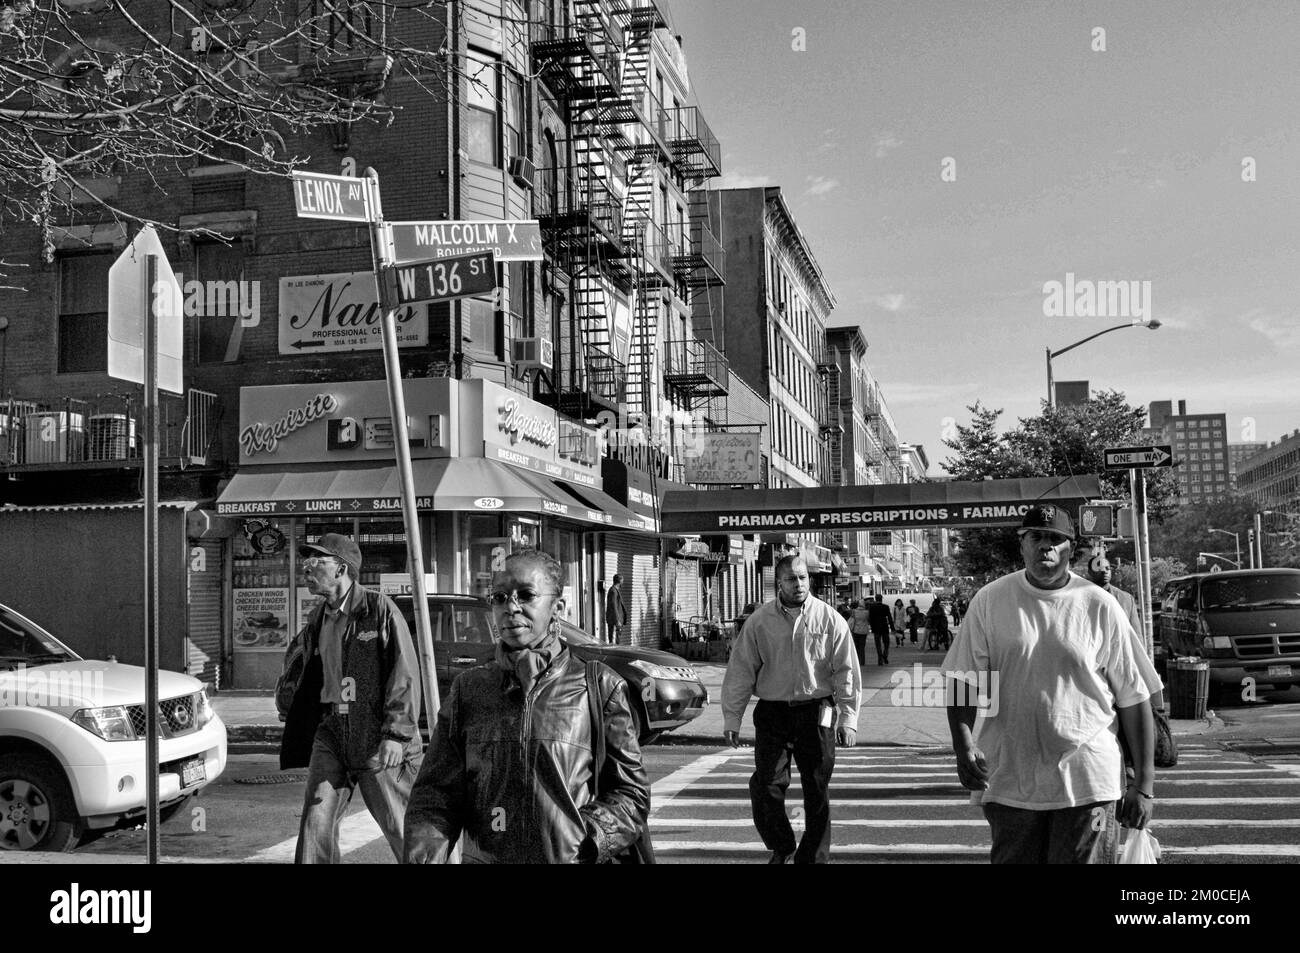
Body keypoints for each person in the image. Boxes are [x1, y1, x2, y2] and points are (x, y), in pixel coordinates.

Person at [404, 549, 649, 863]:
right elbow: (435, 795)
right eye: (500, 597)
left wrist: (586, 840)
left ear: (557, 606)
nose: (511, 607)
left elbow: (631, 792)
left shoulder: (599, 687)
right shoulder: (469, 690)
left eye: (526, 595)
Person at [942, 504, 1155, 864]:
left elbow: (1135, 698)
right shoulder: (990, 601)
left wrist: (1144, 786)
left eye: (1056, 539)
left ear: (1071, 548)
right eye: (1036, 537)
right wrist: (963, 745)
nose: (1046, 547)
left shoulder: (1100, 606)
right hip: (1010, 780)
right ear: (1021, 544)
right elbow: (965, 678)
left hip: (1089, 781)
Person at [278, 533, 424, 864]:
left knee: (400, 824)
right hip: (331, 730)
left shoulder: (377, 608)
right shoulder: (318, 617)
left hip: (375, 733)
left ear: (342, 569)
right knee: (317, 822)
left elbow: (404, 673)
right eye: (306, 563)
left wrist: (396, 734)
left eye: (316, 562)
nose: (307, 570)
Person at [721, 555, 862, 864]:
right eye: (791, 579)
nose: (798, 584)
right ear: (778, 584)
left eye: (802, 578)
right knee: (766, 785)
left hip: (817, 712)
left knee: (816, 788)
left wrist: (848, 718)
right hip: (774, 713)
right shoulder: (759, 622)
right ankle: (782, 845)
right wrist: (733, 716)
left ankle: (812, 857)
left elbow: (846, 670)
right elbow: (742, 670)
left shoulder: (829, 618)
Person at [867, 594, 894, 665]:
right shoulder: (886, 607)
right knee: (886, 643)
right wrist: (892, 628)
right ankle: (885, 654)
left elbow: (870, 619)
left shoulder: (872, 607)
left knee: (878, 644)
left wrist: (872, 627)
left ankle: (880, 660)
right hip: (884, 627)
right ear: (882, 599)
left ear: (876, 599)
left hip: (876, 628)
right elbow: (890, 618)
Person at [604, 572, 626, 644]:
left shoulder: (614, 590)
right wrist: (617, 620)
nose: (623, 582)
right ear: (619, 581)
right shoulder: (613, 591)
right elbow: (614, 606)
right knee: (614, 641)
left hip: (614, 620)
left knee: (616, 639)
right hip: (614, 621)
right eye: (622, 580)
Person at [848, 600, 871, 666]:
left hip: (856, 631)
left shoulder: (854, 611)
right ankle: (862, 662)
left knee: (856, 647)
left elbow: (852, 620)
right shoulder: (867, 612)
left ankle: (857, 661)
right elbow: (868, 620)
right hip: (864, 632)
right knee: (862, 647)